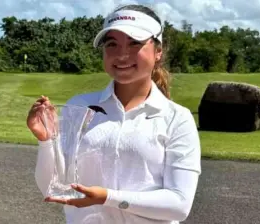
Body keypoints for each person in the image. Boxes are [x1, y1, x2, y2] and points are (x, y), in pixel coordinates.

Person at [27, 4, 201, 224]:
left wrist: (108, 197)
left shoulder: (177, 118)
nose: (121, 54)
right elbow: (51, 188)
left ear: (158, 51)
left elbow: (179, 205)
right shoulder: (79, 106)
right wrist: (46, 141)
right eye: (112, 44)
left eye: (134, 43)